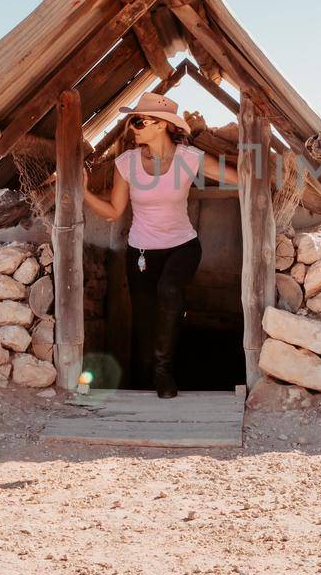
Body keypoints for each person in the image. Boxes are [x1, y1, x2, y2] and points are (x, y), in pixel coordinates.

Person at [82, 93, 238, 398]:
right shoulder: (126, 163)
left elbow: (240, 179)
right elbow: (114, 212)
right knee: (144, 320)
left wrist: (262, 165)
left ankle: (164, 372)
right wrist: (82, 191)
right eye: (132, 121)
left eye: (139, 121)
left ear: (162, 125)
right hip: (140, 253)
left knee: (169, 291)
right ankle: (143, 379)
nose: (134, 127)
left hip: (183, 247)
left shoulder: (188, 158)